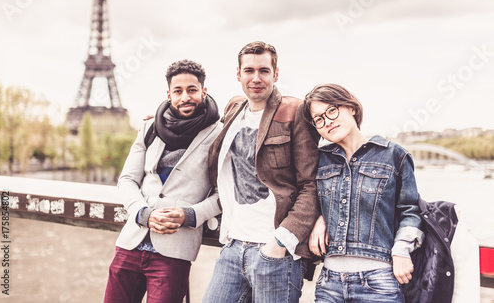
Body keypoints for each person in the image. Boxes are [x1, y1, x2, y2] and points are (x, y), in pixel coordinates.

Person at [202, 41, 320, 303]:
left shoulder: (294, 111)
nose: (256, 78)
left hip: (274, 251)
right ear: (238, 74)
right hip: (233, 245)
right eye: (249, 71)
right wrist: (158, 117)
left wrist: (280, 241)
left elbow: (311, 184)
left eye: (264, 71)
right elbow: (198, 118)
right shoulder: (233, 108)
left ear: (275, 74)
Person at [104, 60, 222, 303]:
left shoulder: (220, 133)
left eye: (192, 90)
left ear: (204, 91)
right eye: (178, 91)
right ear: (169, 95)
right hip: (131, 242)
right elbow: (127, 180)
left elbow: (227, 193)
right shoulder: (149, 127)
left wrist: (190, 215)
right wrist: (143, 213)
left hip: (174, 250)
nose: (185, 97)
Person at [304, 83, 425, 303]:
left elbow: (411, 211)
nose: (327, 121)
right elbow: (304, 198)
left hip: (379, 282)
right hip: (329, 284)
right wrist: (319, 217)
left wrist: (401, 250)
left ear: (351, 107)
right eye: (319, 119)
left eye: (332, 110)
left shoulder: (394, 155)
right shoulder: (318, 160)